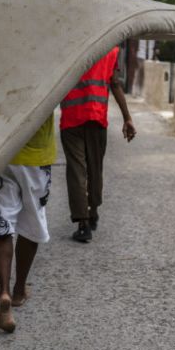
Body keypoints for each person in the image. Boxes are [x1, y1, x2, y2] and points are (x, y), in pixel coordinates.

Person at [0, 114, 56, 333]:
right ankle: (18, 291)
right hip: (36, 155)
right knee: (31, 222)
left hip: (1, 150)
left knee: (3, 220)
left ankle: (3, 292)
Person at [60, 47, 136, 243]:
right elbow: (116, 84)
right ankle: (92, 211)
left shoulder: (68, 46)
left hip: (71, 118)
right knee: (95, 168)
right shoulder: (111, 50)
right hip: (97, 117)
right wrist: (127, 118)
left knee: (77, 170)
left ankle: (83, 224)